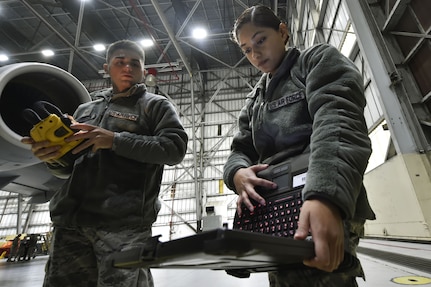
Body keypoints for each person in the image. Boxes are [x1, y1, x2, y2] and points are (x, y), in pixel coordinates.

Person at [223, 5, 375, 287]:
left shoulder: (316, 61)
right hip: (273, 206)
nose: (255, 54)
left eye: (260, 40)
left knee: (323, 275)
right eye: (246, 49)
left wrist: (324, 195)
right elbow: (240, 150)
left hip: (317, 192)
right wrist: (237, 173)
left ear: (282, 31)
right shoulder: (255, 99)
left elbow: (337, 121)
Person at [21, 39, 188, 287]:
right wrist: (53, 158)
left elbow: (174, 149)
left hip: (123, 226)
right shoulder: (84, 110)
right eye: (120, 62)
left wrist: (114, 140)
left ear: (144, 70)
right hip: (70, 224)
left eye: (135, 63)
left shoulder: (155, 107)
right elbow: (68, 168)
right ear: (106, 67)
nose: (127, 67)